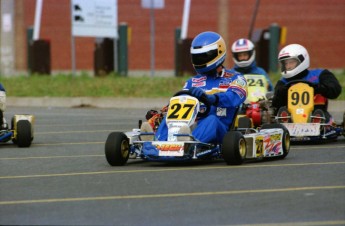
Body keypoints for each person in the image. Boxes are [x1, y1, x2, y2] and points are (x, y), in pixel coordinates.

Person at [147, 31, 247, 144]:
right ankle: (156, 143)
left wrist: (213, 98)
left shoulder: (236, 78)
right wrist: (165, 110)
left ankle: (188, 143)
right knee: (168, 119)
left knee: (211, 120)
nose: (200, 60)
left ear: (218, 53)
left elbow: (234, 97)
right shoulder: (192, 81)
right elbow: (181, 103)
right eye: (197, 57)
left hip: (221, 130)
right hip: (191, 125)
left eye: (203, 56)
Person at [272, 43, 342, 122]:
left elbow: (335, 90)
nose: (288, 66)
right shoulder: (282, 82)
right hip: (291, 119)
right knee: (281, 115)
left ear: (302, 60)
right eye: (285, 63)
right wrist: (282, 92)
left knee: (321, 115)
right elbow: (275, 106)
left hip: (319, 115)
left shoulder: (320, 74)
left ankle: (318, 120)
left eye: (291, 62)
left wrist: (318, 88)